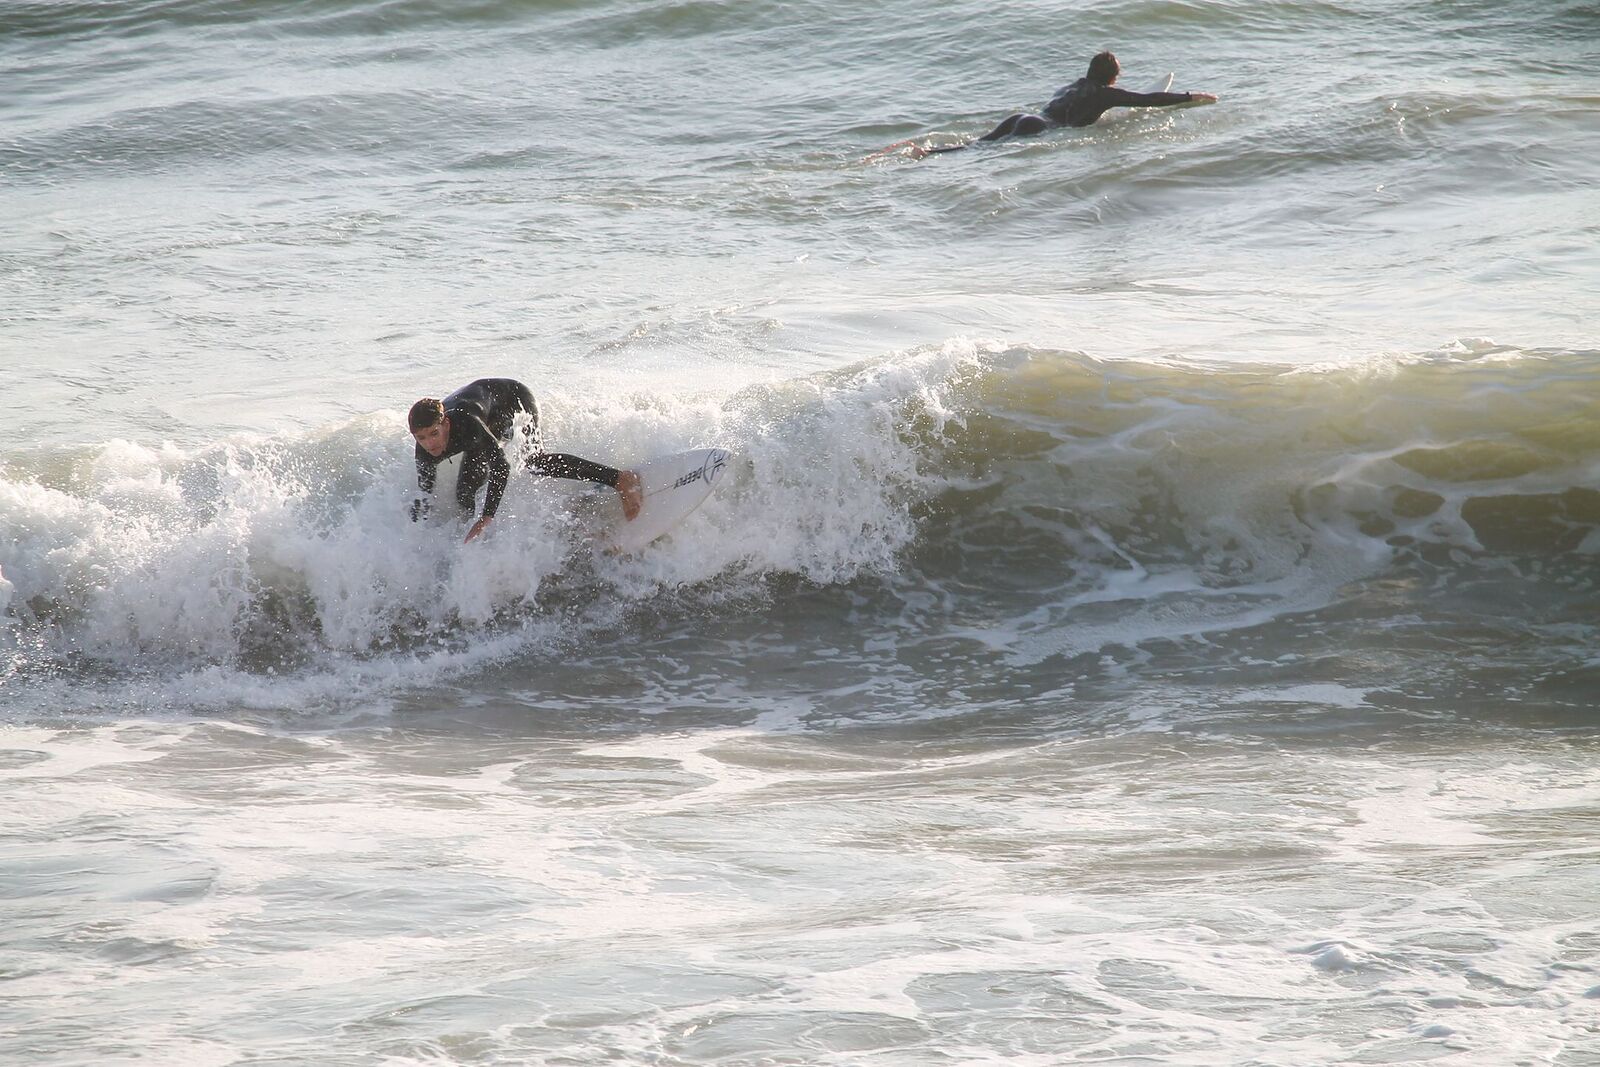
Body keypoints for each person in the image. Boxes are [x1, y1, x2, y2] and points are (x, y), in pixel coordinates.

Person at [408, 378, 642, 543]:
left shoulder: (467, 423)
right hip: (487, 415)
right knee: (465, 493)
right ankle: (475, 539)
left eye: (434, 434)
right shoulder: (425, 453)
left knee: (535, 462)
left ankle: (619, 479)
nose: (430, 444)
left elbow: (501, 467)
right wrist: (415, 533)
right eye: (421, 438)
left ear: (445, 424)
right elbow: (424, 494)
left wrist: (486, 516)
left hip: (512, 398)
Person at [874, 51, 1217, 160]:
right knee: (981, 156)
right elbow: (1148, 100)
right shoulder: (1104, 94)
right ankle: (926, 156)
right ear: (1112, 78)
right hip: (1040, 129)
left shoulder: (1075, 86)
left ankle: (926, 153)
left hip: (1023, 118)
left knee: (978, 146)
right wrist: (1190, 98)